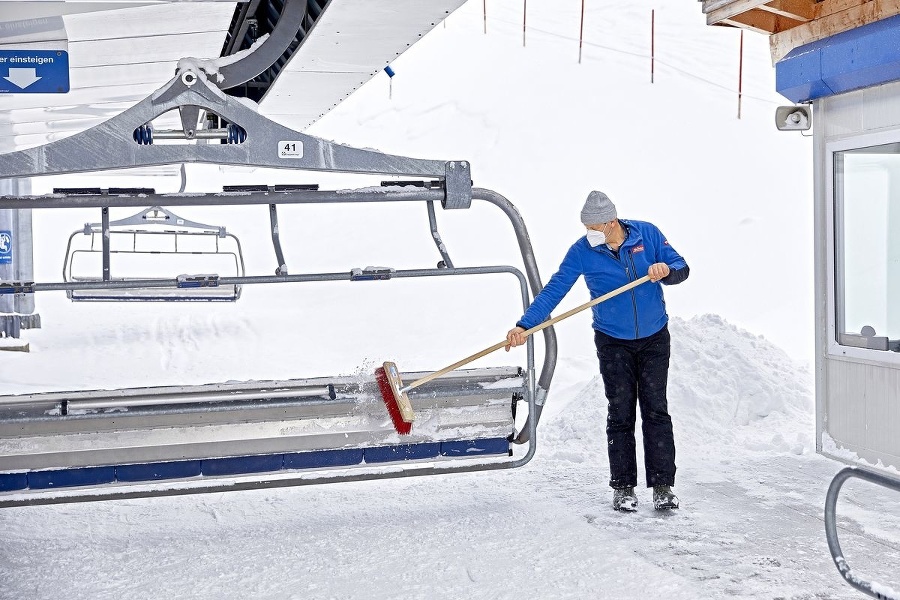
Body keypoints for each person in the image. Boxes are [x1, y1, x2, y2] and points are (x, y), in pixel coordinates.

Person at [505, 191, 689, 512]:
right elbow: (555, 290)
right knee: (620, 413)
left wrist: (665, 271)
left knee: (655, 410)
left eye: (593, 226)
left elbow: (681, 267)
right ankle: (623, 488)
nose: (588, 232)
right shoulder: (582, 251)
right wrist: (525, 325)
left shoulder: (648, 233)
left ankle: (663, 486)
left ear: (611, 222)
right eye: (585, 226)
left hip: (654, 338)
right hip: (612, 341)